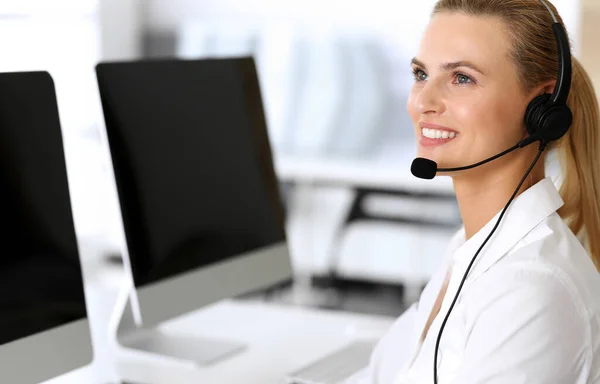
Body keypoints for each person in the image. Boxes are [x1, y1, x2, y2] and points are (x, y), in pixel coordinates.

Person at [345, 0, 600, 383]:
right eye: (420, 74)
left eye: (461, 78)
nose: (422, 102)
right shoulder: (468, 248)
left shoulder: (531, 288)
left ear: (541, 109)